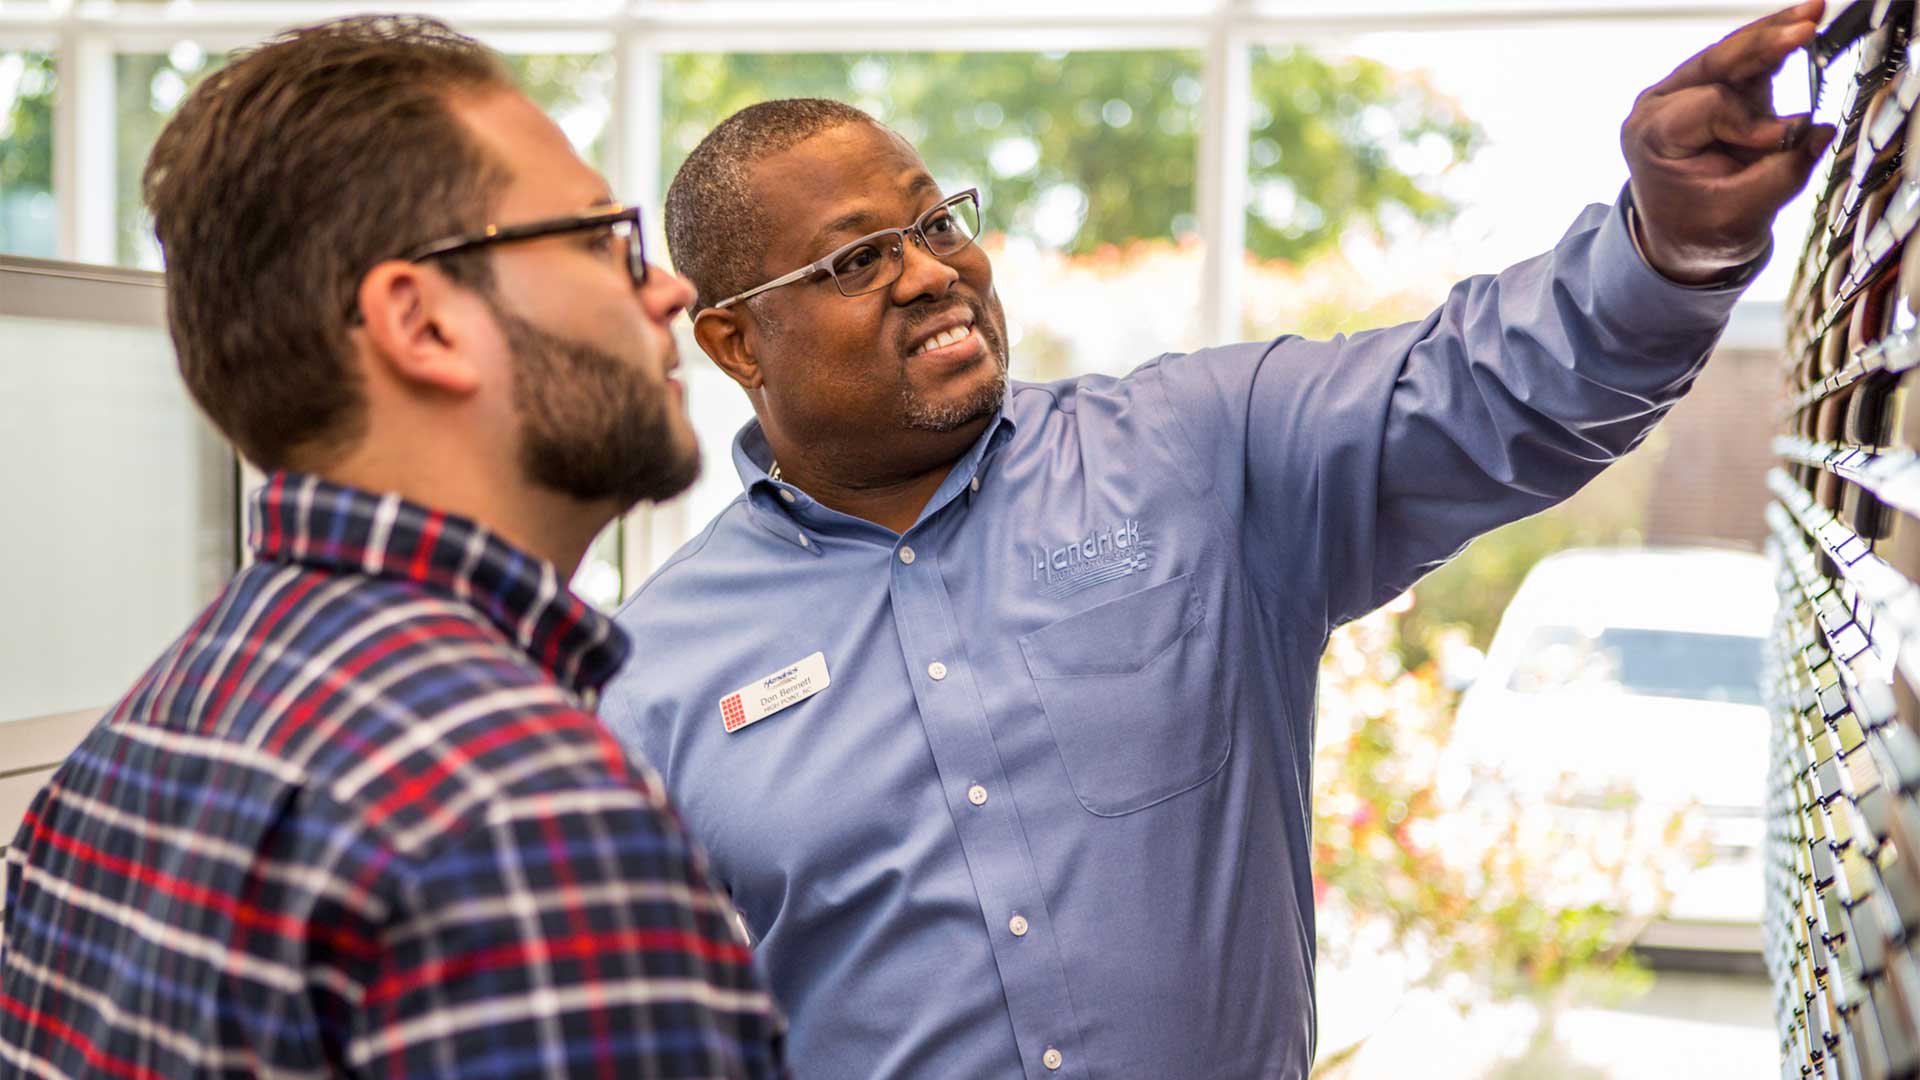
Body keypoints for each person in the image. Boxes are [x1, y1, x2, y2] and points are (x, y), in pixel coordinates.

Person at [601, 2, 1831, 1076]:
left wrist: (1673, 244)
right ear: (736, 344)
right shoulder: (650, 680)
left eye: (939, 222)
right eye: (860, 258)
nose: (931, 274)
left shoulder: (1194, 459)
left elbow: (1488, 391)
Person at [0, 16, 786, 1079]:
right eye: (605, 240)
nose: (672, 290)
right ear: (423, 324)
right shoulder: (520, 815)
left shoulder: (130, 747)